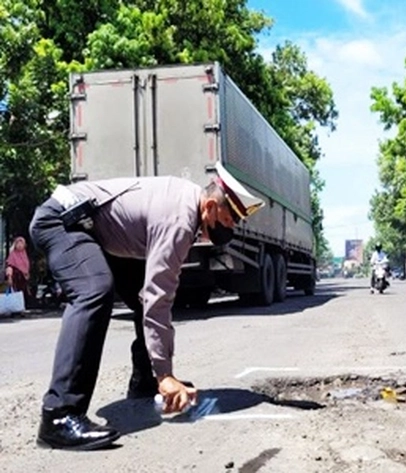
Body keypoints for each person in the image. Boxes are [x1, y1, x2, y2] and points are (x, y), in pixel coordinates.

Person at [29, 162, 263, 449]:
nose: (230, 229)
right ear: (211, 207)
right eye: (228, 220)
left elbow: (152, 295)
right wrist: (166, 374)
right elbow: (159, 297)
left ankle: (144, 381)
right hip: (63, 222)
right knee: (94, 291)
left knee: (142, 296)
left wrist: (159, 374)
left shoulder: (188, 203)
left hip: (96, 230)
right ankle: (58, 417)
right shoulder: (179, 219)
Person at [5, 236, 32, 303]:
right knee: (15, 293)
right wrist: (9, 277)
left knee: (22, 294)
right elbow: (10, 266)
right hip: (15, 279)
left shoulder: (24, 255)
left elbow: (26, 266)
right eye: (18, 243)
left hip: (23, 279)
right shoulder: (12, 255)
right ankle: (15, 307)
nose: (19, 245)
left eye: (21, 243)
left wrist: (26, 274)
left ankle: (20, 307)